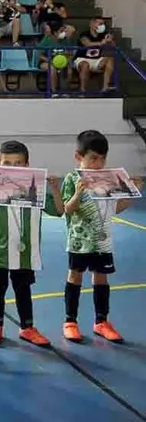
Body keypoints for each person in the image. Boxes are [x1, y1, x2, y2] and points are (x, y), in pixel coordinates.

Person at [0, 140, 63, 347]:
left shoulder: (37, 190)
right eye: (7, 163)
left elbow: (58, 211)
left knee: (23, 289)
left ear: (27, 165)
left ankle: (27, 328)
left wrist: (55, 189)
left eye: (19, 163)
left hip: (25, 251)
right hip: (0, 250)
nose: (13, 167)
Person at [61, 130, 142, 343]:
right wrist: (78, 193)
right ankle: (70, 321)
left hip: (102, 240)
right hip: (79, 240)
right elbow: (67, 209)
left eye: (103, 158)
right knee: (75, 275)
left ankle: (101, 321)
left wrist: (133, 193)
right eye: (93, 158)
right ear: (79, 157)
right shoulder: (72, 178)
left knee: (101, 277)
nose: (98, 163)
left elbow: (115, 208)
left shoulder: (108, 179)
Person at [74, 18, 116, 93]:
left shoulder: (104, 35)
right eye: (99, 24)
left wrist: (110, 41)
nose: (101, 26)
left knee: (110, 58)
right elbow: (87, 44)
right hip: (82, 59)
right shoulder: (84, 34)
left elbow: (113, 47)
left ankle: (105, 87)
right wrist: (101, 43)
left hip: (96, 60)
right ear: (92, 24)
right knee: (85, 65)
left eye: (102, 24)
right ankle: (82, 90)